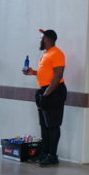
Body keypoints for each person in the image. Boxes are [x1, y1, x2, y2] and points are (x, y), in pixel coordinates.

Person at [23, 29, 67, 167]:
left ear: (47, 39)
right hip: (45, 90)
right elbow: (47, 74)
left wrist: (46, 95)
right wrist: (33, 72)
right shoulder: (46, 53)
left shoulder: (57, 53)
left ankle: (52, 156)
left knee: (53, 126)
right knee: (44, 125)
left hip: (54, 91)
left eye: (42, 38)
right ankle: (45, 153)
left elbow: (57, 76)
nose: (40, 40)